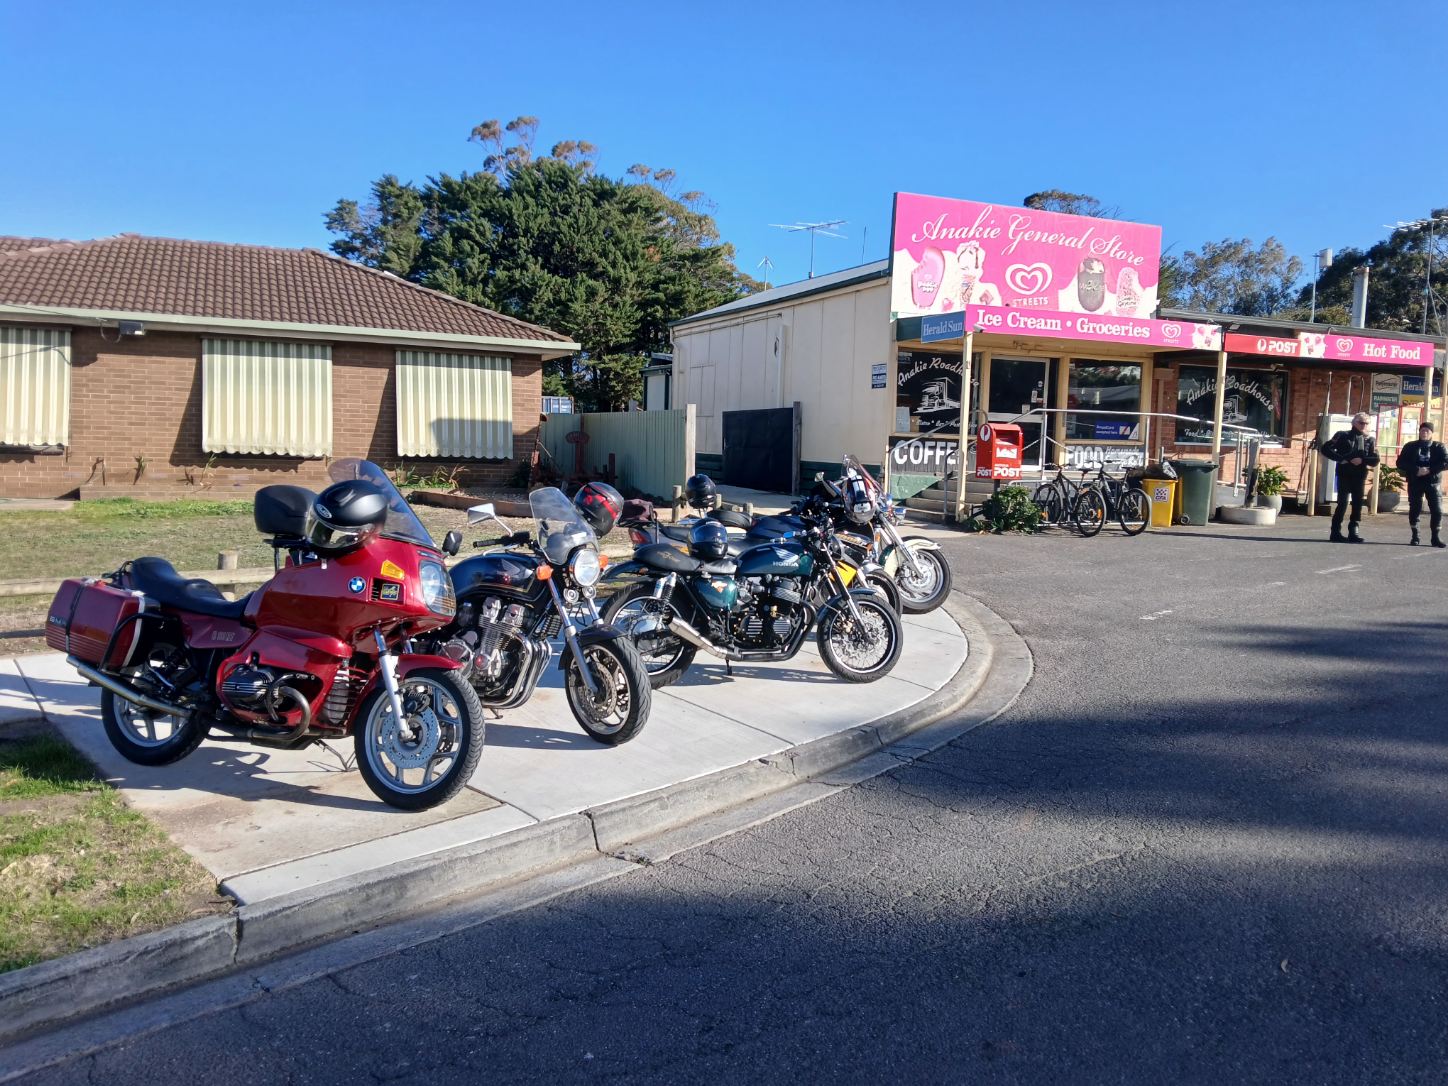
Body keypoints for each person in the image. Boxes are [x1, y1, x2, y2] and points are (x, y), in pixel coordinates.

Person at [1321, 412, 1380, 543]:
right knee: (1342, 503)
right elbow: (1325, 449)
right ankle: (1335, 532)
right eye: (1361, 422)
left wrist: (1362, 460)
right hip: (1344, 474)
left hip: (1359, 476)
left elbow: (1375, 459)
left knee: (1358, 503)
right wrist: (1342, 459)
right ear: (1354, 423)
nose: (1363, 425)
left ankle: (1354, 531)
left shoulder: (1370, 440)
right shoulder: (1342, 435)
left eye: (1366, 423)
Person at [1395, 421, 1447, 547]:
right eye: (1422, 430)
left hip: (1433, 482)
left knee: (1437, 510)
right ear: (1419, 432)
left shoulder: (1439, 447)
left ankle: (1435, 538)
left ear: (1431, 433)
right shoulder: (1410, 446)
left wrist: (1429, 470)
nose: (1424, 433)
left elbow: (1446, 462)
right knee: (1415, 509)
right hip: (1415, 481)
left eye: (1427, 431)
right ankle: (1415, 536)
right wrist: (1416, 470)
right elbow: (1400, 462)